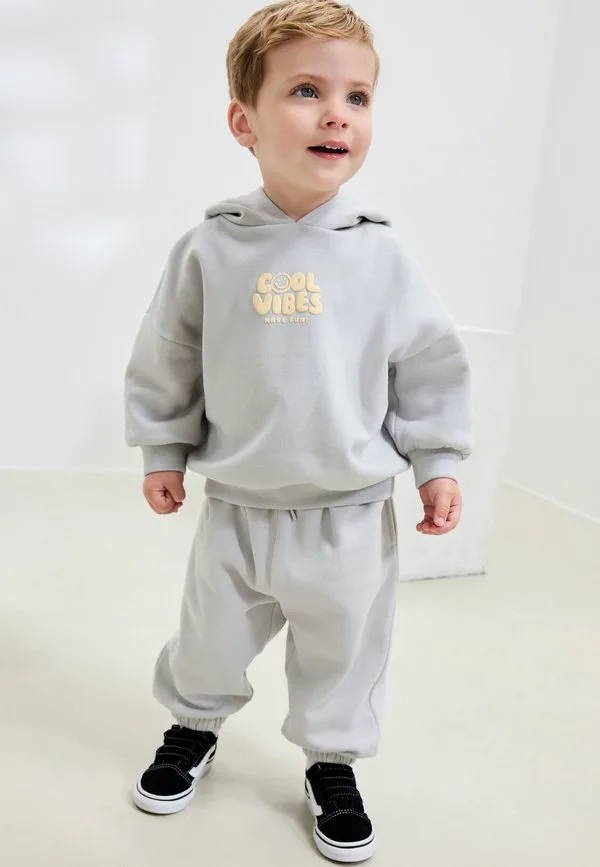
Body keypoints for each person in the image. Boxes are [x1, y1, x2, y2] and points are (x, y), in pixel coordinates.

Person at [124, 0, 474, 861]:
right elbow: (170, 354)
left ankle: (332, 762)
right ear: (244, 121)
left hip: (348, 509)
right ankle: (193, 725)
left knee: (343, 649)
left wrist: (436, 461)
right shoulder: (210, 247)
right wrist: (164, 448)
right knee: (210, 633)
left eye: (357, 98)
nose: (336, 116)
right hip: (238, 503)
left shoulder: (381, 254)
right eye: (307, 91)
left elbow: (427, 364)